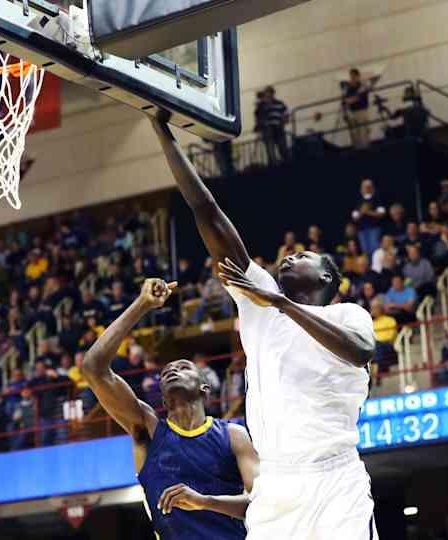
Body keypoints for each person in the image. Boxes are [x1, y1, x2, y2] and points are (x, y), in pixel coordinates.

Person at [153, 114, 378, 539]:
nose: (290, 255)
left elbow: (361, 350)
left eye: (305, 255)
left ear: (327, 278)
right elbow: (207, 210)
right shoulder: (259, 305)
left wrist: (280, 302)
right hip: (275, 485)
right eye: (289, 254)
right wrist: (161, 131)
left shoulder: (346, 314)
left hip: (334, 479)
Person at [82, 279, 257, 539]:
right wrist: (142, 305)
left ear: (205, 388)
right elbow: (93, 367)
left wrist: (204, 501)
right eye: (166, 372)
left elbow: (263, 505)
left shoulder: (233, 435)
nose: (173, 369)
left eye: (184, 367)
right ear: (162, 400)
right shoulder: (148, 429)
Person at [352, 178, 387, 256]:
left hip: (374, 228)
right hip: (362, 230)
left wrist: (368, 211)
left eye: (368, 187)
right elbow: (355, 217)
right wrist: (362, 211)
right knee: (365, 251)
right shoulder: (358, 200)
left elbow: (381, 214)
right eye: (364, 187)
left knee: (375, 250)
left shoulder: (377, 198)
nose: (366, 189)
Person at [259, 86, 289, 165]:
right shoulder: (262, 105)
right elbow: (259, 117)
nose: (268, 95)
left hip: (278, 128)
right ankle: (274, 164)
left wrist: (283, 123)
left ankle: (286, 163)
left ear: (272, 93)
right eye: (267, 93)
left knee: (282, 148)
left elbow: (286, 114)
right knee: (270, 150)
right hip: (268, 130)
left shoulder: (279, 103)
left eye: (269, 93)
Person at [343, 67, 371, 149]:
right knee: (353, 133)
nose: (352, 78)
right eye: (351, 76)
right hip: (352, 112)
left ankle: (365, 150)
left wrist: (350, 99)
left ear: (358, 76)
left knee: (363, 132)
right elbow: (345, 100)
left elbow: (358, 98)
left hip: (362, 111)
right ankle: (357, 150)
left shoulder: (363, 86)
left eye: (354, 76)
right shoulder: (348, 88)